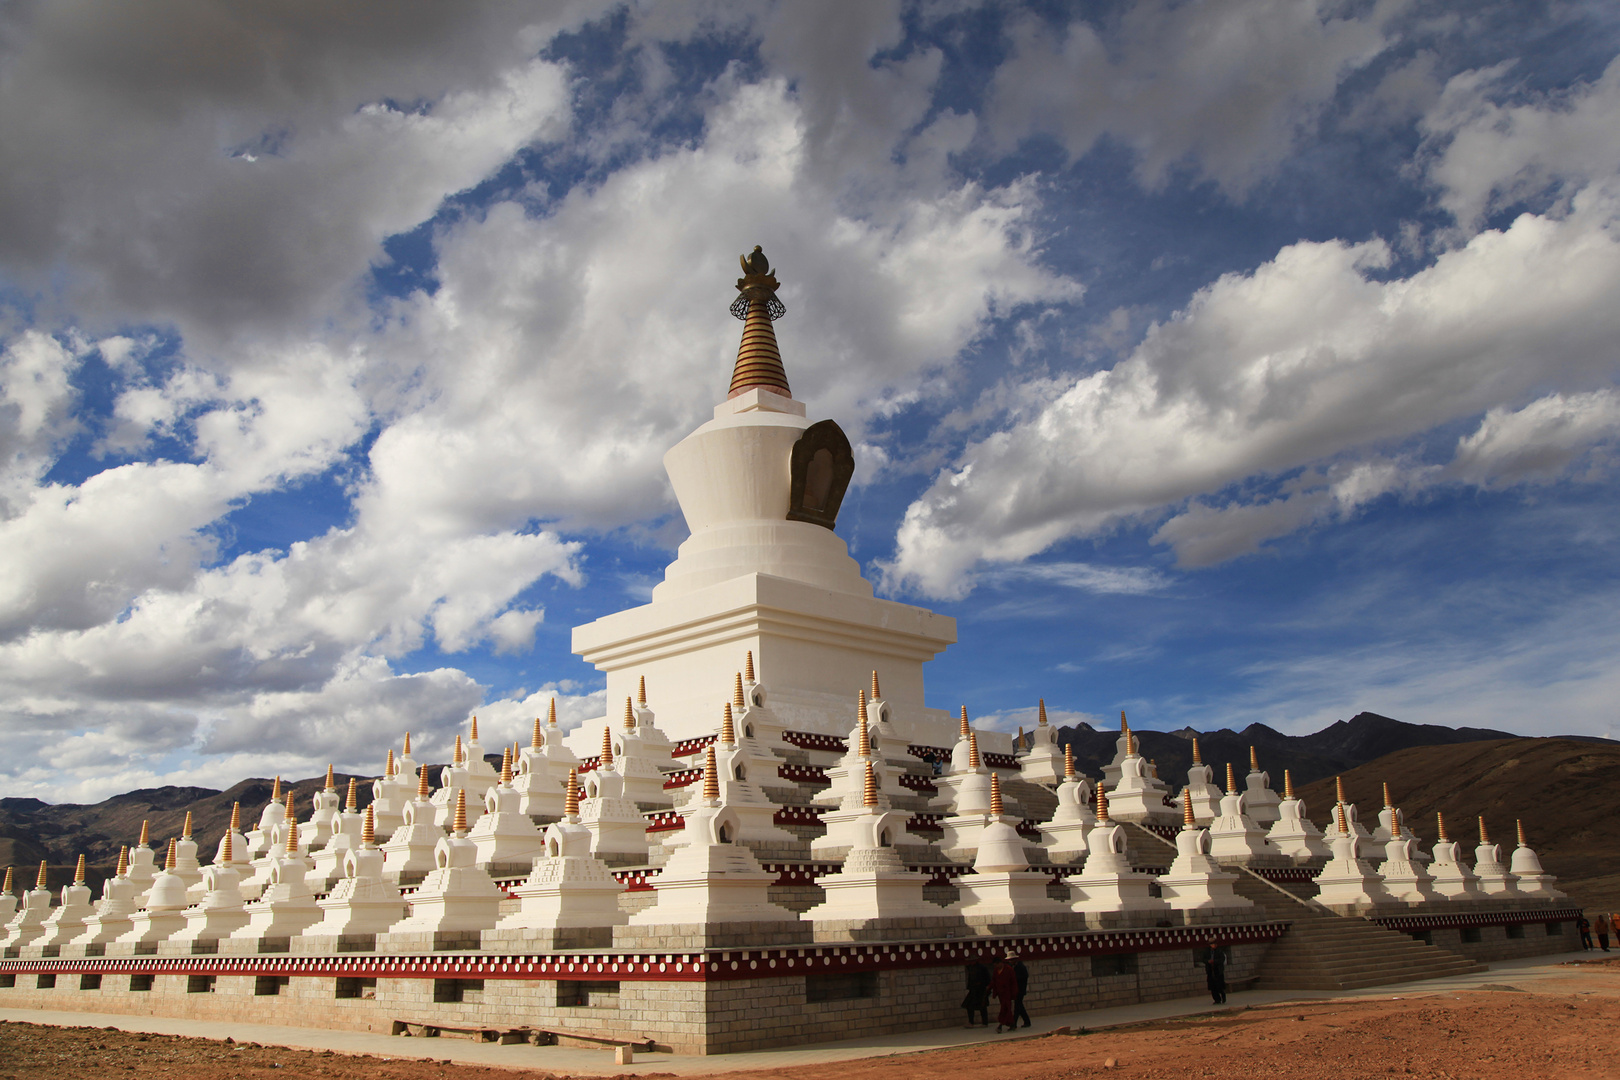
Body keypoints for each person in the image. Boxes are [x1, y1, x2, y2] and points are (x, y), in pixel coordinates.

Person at [990, 956, 1019, 1033]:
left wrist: (1014, 992)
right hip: (1000, 994)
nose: (995, 967)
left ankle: (1000, 1025)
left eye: (996, 965)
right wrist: (990, 988)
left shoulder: (1009, 969)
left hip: (1007, 993)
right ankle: (1012, 1024)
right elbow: (994, 981)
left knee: (1006, 1009)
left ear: (1000, 963)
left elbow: (1013, 982)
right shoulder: (996, 971)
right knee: (1006, 1009)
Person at [1196, 940, 1229, 1004]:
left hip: (1218, 970)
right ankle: (1217, 999)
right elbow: (1203, 959)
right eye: (1211, 944)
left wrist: (1215, 961)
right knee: (1212, 986)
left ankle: (1223, 996)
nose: (1213, 945)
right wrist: (1208, 961)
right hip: (1210, 970)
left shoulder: (1219, 951)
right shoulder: (1207, 951)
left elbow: (1222, 959)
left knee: (1219, 985)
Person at [961, 957, 990, 1028]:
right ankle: (971, 1022)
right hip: (973, 990)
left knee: (982, 1006)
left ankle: (985, 1022)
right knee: (969, 1005)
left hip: (981, 989)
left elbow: (988, 979)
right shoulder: (970, 968)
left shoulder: (982, 968)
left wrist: (986, 987)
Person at [1011, 951, 1032, 1029]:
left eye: (1011, 960)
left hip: (1020, 989)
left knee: (1017, 1006)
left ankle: (1014, 1023)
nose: (1010, 962)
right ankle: (1027, 1021)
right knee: (1020, 1006)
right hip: (1016, 989)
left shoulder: (1021, 966)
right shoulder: (1013, 966)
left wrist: (1016, 979)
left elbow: (1025, 976)